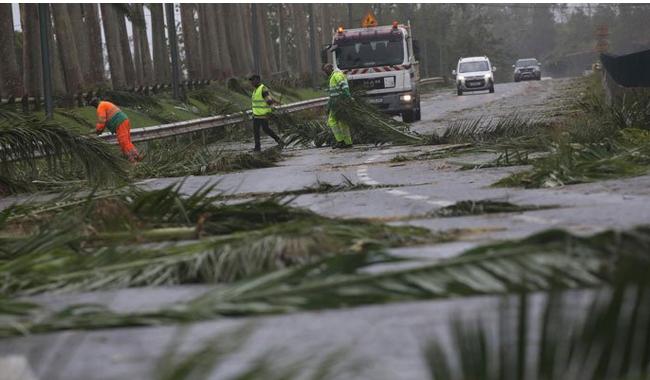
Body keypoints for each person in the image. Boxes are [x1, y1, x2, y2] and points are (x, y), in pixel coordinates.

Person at [90, 98, 140, 162]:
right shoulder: (105, 104)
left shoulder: (100, 107)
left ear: (95, 105)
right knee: (127, 141)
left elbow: (102, 121)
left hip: (120, 122)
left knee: (123, 141)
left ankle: (132, 160)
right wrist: (100, 130)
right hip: (124, 120)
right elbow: (105, 120)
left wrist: (98, 130)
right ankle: (137, 156)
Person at [248, 74, 284, 152]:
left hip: (262, 114)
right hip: (257, 114)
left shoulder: (262, 88)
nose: (251, 83)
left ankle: (258, 148)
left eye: (252, 81)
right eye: (251, 81)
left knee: (258, 130)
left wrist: (273, 107)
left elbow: (268, 99)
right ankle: (279, 141)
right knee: (265, 129)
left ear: (257, 80)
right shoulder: (256, 89)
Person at [322, 63, 353, 148]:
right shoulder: (334, 76)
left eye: (326, 70)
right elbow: (333, 94)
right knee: (343, 122)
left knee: (332, 121)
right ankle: (347, 142)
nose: (325, 73)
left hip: (338, 103)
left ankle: (340, 141)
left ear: (330, 68)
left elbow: (344, 86)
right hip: (338, 102)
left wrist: (348, 97)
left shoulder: (337, 75)